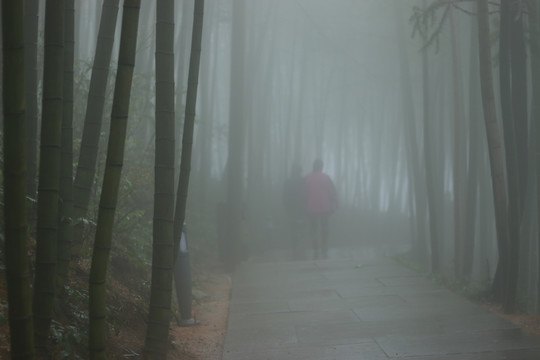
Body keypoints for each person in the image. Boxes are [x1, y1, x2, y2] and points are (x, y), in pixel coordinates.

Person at [303, 158, 338, 259]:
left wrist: (304, 204)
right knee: (325, 225)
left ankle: (315, 245)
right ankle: (324, 245)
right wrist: (336, 203)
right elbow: (332, 191)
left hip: (311, 207)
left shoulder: (308, 177)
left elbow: (304, 193)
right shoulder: (326, 177)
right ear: (321, 166)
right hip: (325, 207)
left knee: (313, 226)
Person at [283, 163, 305, 259]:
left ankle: (294, 246)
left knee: (293, 227)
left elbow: (285, 195)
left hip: (291, 207)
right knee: (302, 226)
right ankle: (302, 245)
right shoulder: (304, 181)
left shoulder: (288, 181)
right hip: (302, 207)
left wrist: (286, 206)